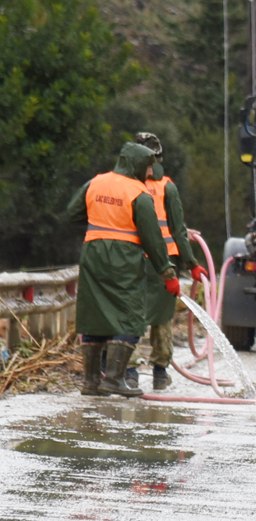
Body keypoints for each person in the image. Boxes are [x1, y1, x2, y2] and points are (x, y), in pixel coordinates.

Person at [66, 141, 179, 397]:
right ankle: (115, 379)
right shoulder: (138, 193)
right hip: (124, 259)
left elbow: (73, 213)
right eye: (148, 167)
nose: (150, 173)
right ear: (136, 165)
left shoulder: (96, 182)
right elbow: (153, 238)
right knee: (130, 315)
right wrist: (167, 273)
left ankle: (91, 382)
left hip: (93, 254)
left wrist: (102, 218)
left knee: (94, 314)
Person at [136, 133, 206, 391]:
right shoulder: (167, 187)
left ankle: (129, 371)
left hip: (132, 260)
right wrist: (191, 263)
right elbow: (178, 229)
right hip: (164, 262)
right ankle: (160, 372)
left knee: (131, 313)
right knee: (162, 317)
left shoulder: (124, 185)